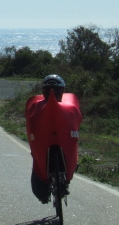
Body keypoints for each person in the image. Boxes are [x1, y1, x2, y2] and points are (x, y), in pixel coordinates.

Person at [25, 74, 82, 204]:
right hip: (48, 142)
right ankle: (47, 192)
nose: (52, 93)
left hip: (59, 141)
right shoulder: (36, 106)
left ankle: (56, 186)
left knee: (39, 165)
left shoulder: (69, 106)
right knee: (39, 164)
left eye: (56, 90)